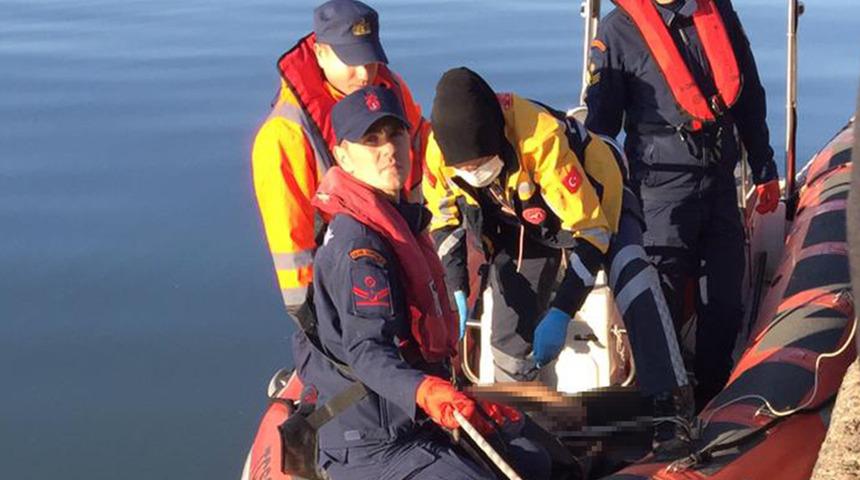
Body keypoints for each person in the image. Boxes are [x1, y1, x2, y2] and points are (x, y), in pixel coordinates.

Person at [424, 67, 692, 456]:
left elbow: (592, 231)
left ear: (497, 141)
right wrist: (457, 287)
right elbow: (444, 219)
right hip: (521, 220)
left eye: (479, 161)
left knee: (633, 278)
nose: (471, 172)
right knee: (508, 327)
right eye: (464, 168)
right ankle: (522, 425)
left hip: (597, 201)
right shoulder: (440, 153)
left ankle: (671, 406)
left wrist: (563, 310)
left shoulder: (541, 138)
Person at [291, 85, 551, 480]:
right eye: (370, 140)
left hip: (409, 415)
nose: (388, 150)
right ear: (343, 156)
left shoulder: (396, 219)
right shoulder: (360, 249)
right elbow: (367, 352)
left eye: (394, 135)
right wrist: (424, 392)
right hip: (372, 438)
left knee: (537, 460)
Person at [584, 0, 781, 409]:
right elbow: (601, 129)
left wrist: (763, 163)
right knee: (663, 306)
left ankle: (715, 397)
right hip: (660, 190)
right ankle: (664, 407)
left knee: (726, 303)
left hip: (721, 182)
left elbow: (748, 93)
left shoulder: (717, 10)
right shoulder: (619, 30)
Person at [251, 0, 428, 331]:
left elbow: (423, 145)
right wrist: (311, 317)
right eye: (350, 61)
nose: (364, 74)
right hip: (344, 279)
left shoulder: (391, 90)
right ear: (320, 53)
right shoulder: (284, 135)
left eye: (369, 59)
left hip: (402, 249)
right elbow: (291, 245)